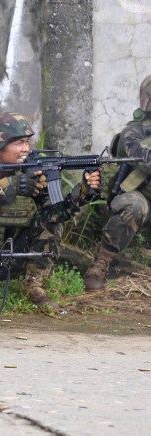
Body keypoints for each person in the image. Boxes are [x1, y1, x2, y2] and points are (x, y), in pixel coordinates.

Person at [0, 112, 102, 311]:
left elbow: (54, 213)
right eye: (19, 142)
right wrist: (9, 186)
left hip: (17, 253)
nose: (26, 149)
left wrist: (83, 192)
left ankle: (33, 285)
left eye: (28, 142)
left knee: (51, 223)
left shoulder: (34, 170)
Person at [84, 75, 151, 290]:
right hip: (143, 198)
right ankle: (101, 263)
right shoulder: (134, 131)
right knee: (133, 207)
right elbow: (145, 160)